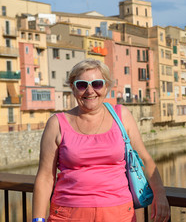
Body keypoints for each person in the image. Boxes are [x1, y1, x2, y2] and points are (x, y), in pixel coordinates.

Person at [32, 59, 170, 222]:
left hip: (119, 214)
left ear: (106, 87)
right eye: (82, 85)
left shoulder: (121, 115)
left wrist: (160, 194)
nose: (90, 91)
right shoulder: (56, 123)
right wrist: (37, 219)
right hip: (68, 214)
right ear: (73, 88)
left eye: (97, 84)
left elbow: (144, 159)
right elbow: (46, 177)